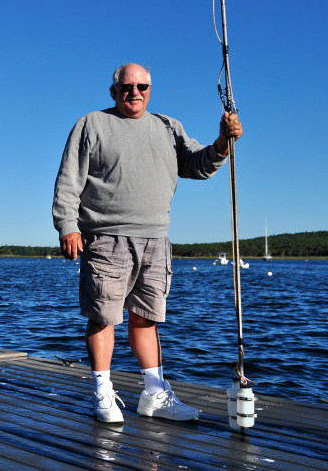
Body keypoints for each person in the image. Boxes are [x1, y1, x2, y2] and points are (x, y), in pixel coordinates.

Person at [52, 63, 243, 423]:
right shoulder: (91, 123)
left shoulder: (169, 127)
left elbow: (198, 164)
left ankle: (154, 394)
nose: (134, 92)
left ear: (150, 89)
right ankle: (102, 392)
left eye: (142, 86)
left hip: (157, 239)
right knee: (103, 317)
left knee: (146, 319)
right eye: (127, 87)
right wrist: (67, 226)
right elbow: (68, 181)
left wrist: (222, 142)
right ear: (114, 91)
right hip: (107, 238)